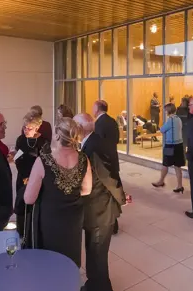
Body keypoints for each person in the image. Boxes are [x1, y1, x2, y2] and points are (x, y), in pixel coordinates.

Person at [24, 118, 92, 267]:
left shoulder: (44, 160)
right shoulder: (83, 159)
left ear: (57, 135)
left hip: (50, 218)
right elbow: (87, 190)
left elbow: (29, 199)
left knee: (51, 260)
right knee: (70, 252)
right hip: (73, 217)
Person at [74, 113, 124, 291]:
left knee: (97, 253)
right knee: (94, 251)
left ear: (80, 128)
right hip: (99, 207)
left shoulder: (93, 147)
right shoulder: (95, 141)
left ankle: (100, 287)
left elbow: (108, 177)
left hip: (100, 209)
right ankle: (94, 283)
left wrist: (120, 198)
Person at [14, 112, 47, 238]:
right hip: (22, 177)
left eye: (29, 128)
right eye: (24, 127)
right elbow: (17, 158)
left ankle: (34, 234)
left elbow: (45, 163)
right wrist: (24, 176)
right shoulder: (21, 139)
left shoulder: (43, 142)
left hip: (37, 179)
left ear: (37, 128)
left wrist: (33, 177)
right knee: (21, 205)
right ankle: (21, 234)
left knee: (35, 206)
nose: (26, 130)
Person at [93, 100, 123, 234]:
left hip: (103, 164)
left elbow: (98, 145)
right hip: (113, 160)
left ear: (98, 109)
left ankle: (111, 224)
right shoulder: (112, 121)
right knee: (112, 192)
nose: (92, 109)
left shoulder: (99, 124)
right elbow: (116, 140)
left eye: (93, 107)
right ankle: (113, 222)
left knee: (105, 195)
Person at [152, 103, 185, 193]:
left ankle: (161, 181)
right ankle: (179, 185)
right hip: (179, 145)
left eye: (165, 110)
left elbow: (162, 130)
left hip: (170, 145)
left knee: (165, 164)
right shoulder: (178, 119)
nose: (165, 112)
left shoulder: (170, 120)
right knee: (177, 166)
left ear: (168, 110)